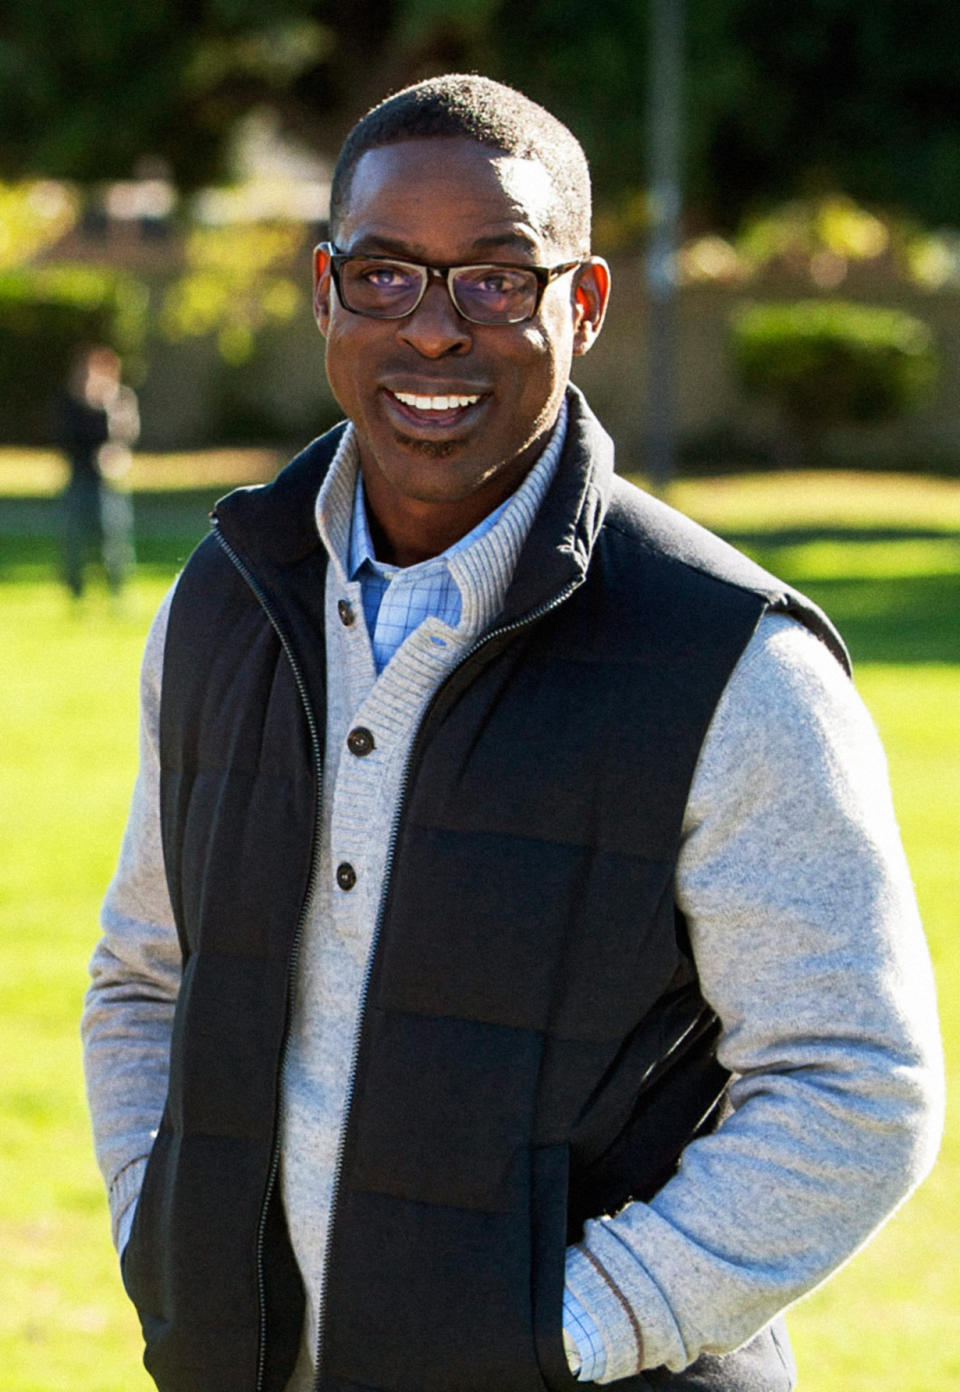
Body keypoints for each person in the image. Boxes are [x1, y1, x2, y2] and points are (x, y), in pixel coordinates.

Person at [82, 75, 943, 1392]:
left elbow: (858, 1086)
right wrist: (166, 1243)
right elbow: (147, 980)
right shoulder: (225, 599)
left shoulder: (732, 663)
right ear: (326, 292)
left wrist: (567, 1332)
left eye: (495, 277)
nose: (434, 330)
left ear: (581, 303)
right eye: (385, 275)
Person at [56, 344, 139, 600]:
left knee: (114, 539)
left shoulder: (119, 399)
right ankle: (75, 590)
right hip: (79, 477)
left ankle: (117, 590)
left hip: (108, 481)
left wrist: (106, 404)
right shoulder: (70, 400)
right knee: (75, 540)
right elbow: (66, 437)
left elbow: (124, 435)